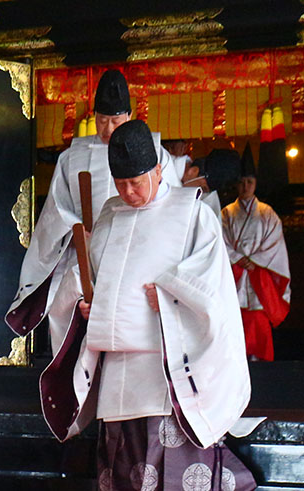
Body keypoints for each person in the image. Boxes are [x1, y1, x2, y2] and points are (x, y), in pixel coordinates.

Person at [34, 120, 258, 490]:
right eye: (120, 184)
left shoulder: (193, 213)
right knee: (120, 476)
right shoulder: (108, 215)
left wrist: (170, 294)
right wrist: (85, 304)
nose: (129, 192)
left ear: (157, 168)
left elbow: (211, 288)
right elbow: (87, 277)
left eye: (137, 182)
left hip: (168, 378)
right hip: (117, 380)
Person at [6, 69, 186, 349]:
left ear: (130, 115)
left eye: (116, 120)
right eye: (102, 121)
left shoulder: (154, 154)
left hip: (139, 254)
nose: (109, 129)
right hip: (86, 255)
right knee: (74, 320)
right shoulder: (72, 157)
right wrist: (79, 233)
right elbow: (56, 211)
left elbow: (171, 207)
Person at [221, 144, 291, 362]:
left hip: (257, 274)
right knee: (235, 321)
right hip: (236, 273)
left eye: (249, 182)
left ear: (256, 184)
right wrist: (237, 258)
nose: (245, 186)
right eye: (241, 182)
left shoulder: (267, 213)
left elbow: (274, 242)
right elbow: (219, 240)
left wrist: (254, 261)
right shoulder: (226, 213)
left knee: (259, 322)